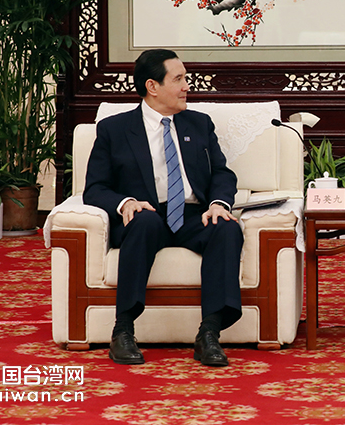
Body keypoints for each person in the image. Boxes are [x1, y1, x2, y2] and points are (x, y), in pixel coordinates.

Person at [83, 49, 243, 367]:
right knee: (143, 223)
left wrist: (218, 204)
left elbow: (222, 174)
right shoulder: (114, 129)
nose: (187, 85)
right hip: (145, 215)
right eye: (179, 79)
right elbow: (95, 188)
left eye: (186, 78)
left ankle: (209, 333)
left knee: (226, 227)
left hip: (191, 214)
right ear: (152, 86)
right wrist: (125, 202)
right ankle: (123, 331)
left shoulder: (198, 124)